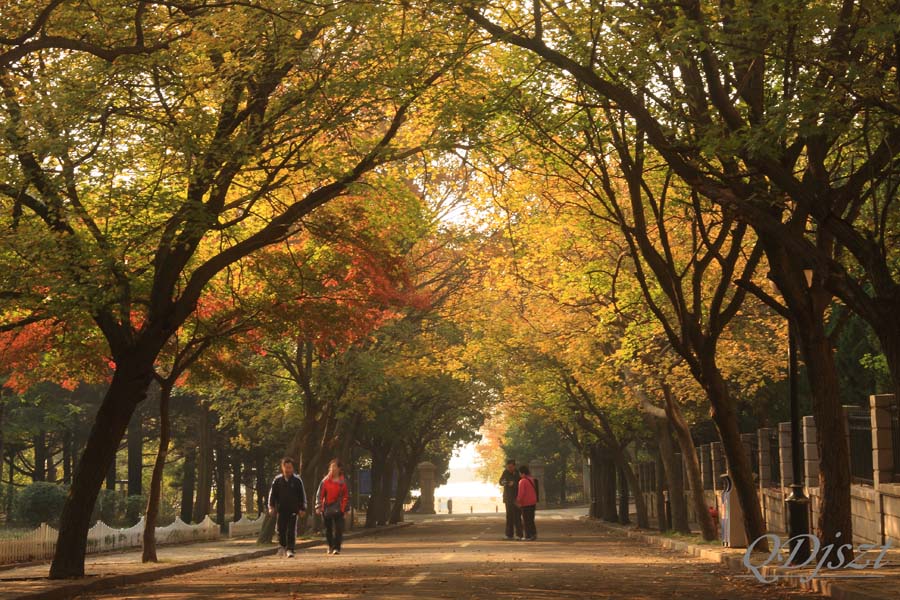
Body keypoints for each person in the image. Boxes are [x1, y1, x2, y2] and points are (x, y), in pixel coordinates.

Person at [268, 457, 307, 558]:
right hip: (281, 510)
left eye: (290, 468)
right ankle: (282, 546)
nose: (288, 470)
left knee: (291, 529)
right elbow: (272, 495)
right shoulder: (277, 481)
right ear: (282, 468)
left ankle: (290, 549)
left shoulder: (297, 481)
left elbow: (302, 495)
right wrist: (271, 507)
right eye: (286, 467)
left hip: (293, 510)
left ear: (293, 468)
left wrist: (302, 508)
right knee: (281, 529)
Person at [316, 458, 349, 555]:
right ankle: (330, 545)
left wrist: (346, 509)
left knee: (339, 529)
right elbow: (320, 494)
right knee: (328, 529)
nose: (332, 469)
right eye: (331, 467)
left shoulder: (343, 481)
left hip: (340, 508)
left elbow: (346, 495)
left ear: (339, 469)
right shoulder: (325, 481)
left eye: (335, 467)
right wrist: (318, 506)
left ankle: (337, 548)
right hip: (327, 508)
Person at [499, 458, 523, 540]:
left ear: (514, 466)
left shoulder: (518, 474)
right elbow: (500, 481)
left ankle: (519, 535)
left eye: (510, 467)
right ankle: (509, 535)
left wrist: (514, 484)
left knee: (517, 517)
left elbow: (522, 484)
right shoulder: (505, 472)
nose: (509, 469)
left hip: (516, 498)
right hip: (508, 498)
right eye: (508, 467)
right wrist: (503, 482)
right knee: (509, 517)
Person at [516, 464, 538, 541]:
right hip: (533, 502)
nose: (519, 475)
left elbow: (521, 493)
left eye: (520, 473)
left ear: (523, 473)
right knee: (531, 519)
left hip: (526, 503)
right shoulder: (531, 479)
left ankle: (528, 535)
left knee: (526, 520)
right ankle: (533, 534)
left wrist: (518, 501)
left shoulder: (522, 481)